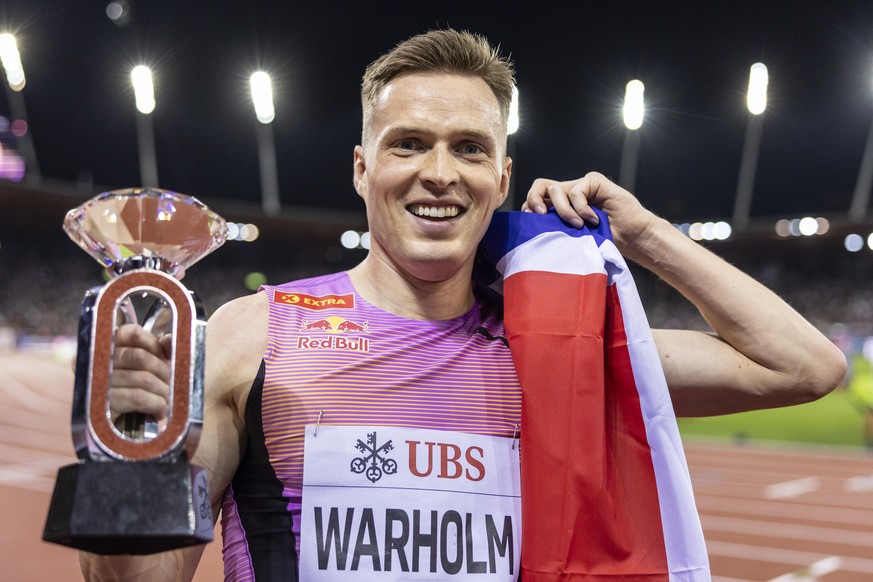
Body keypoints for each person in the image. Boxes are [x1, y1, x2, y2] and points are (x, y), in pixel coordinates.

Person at [80, 29, 847, 581]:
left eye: (469, 148)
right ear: (362, 168)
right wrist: (128, 452)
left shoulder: (556, 346)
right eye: (408, 143)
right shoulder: (251, 334)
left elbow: (804, 367)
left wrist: (643, 235)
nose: (439, 173)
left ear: (502, 176)